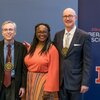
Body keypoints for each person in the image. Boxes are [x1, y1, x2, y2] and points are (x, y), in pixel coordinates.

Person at [53, 8, 92, 100]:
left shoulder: (84, 36)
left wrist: (85, 83)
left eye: (70, 16)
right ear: (63, 18)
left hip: (76, 83)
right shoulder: (58, 35)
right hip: (60, 83)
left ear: (76, 17)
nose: (67, 19)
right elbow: (51, 53)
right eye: (65, 16)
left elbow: (87, 61)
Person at [24, 23, 59, 100]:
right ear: (36, 33)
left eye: (44, 32)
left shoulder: (52, 49)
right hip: (30, 82)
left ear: (48, 33)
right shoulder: (32, 47)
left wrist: (48, 89)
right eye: (39, 32)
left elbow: (54, 71)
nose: (41, 34)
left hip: (43, 83)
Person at [0, 20, 27, 100]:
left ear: (15, 32)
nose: (8, 32)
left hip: (15, 84)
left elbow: (24, 69)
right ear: (2, 32)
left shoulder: (22, 47)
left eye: (11, 29)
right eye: (5, 29)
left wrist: (23, 86)